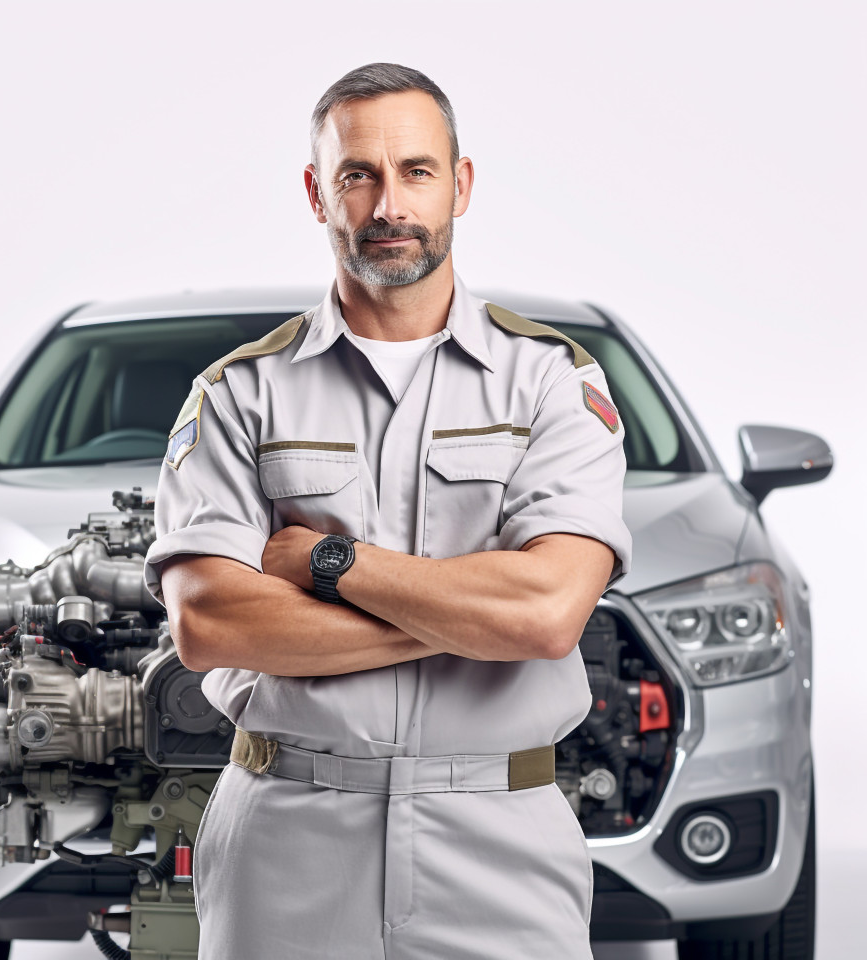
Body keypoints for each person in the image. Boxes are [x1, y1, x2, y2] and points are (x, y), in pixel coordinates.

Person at [144, 62, 631, 960]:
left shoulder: (553, 384)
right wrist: (475, 615)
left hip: (502, 836)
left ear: (461, 184)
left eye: (415, 171)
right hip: (287, 831)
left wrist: (332, 568)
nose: (388, 204)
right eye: (356, 175)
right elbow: (210, 623)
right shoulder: (240, 395)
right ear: (315, 193)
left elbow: (547, 612)